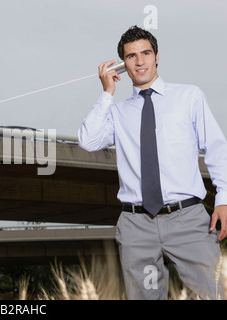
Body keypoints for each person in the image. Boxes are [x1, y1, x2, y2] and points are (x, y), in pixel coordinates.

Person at [77, 25, 227, 300]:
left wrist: (223, 199)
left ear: (157, 56)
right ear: (123, 65)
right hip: (137, 226)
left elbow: (218, 149)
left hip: (189, 220)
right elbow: (88, 141)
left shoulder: (189, 96)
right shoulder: (118, 113)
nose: (140, 61)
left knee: (216, 294)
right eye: (131, 56)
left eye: (145, 53)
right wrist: (107, 93)